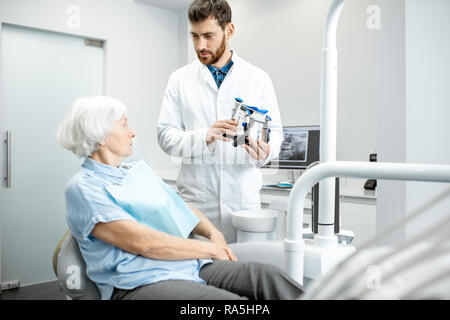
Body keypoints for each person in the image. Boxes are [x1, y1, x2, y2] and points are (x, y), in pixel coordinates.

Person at [57, 96, 302, 300]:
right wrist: (208, 249)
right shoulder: (83, 188)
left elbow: (178, 206)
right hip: (137, 283)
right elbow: (143, 243)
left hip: (189, 266)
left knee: (267, 276)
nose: (132, 132)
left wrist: (214, 235)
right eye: (123, 125)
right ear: (100, 136)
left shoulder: (134, 172)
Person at [157, 0, 283, 242]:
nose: (200, 45)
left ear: (229, 30)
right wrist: (204, 135)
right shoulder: (180, 80)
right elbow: (165, 135)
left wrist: (267, 151)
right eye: (194, 36)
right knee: (198, 277)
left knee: (242, 273)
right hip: (198, 206)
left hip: (243, 204)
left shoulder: (258, 79)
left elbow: (275, 131)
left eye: (208, 36)